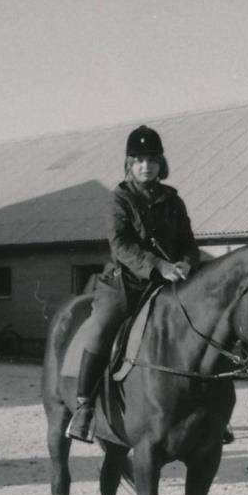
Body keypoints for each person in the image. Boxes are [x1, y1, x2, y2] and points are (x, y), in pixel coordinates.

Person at [66, 125, 201, 442]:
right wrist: (159, 265)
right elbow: (121, 246)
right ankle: (84, 407)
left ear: (160, 163)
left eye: (152, 159)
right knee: (101, 328)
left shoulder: (173, 201)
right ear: (129, 163)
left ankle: (210, 411)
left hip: (169, 285)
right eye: (139, 159)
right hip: (125, 285)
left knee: (202, 329)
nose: (146, 166)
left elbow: (189, 244)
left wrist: (186, 262)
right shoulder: (120, 199)